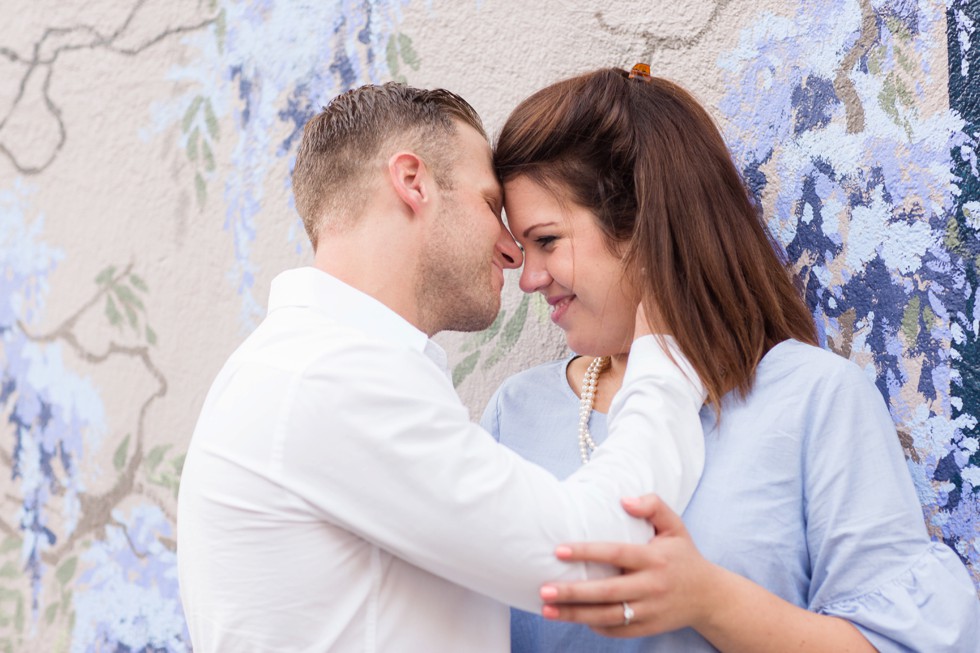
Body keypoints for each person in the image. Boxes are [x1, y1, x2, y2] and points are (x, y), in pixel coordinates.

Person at [176, 82, 708, 653]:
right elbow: (593, 555)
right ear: (413, 182)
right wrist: (666, 364)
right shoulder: (334, 378)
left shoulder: (297, 367)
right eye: (488, 204)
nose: (512, 252)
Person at [482, 66, 980, 652]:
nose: (530, 278)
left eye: (546, 241)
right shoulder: (516, 412)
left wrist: (710, 600)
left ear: (645, 226)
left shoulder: (816, 398)